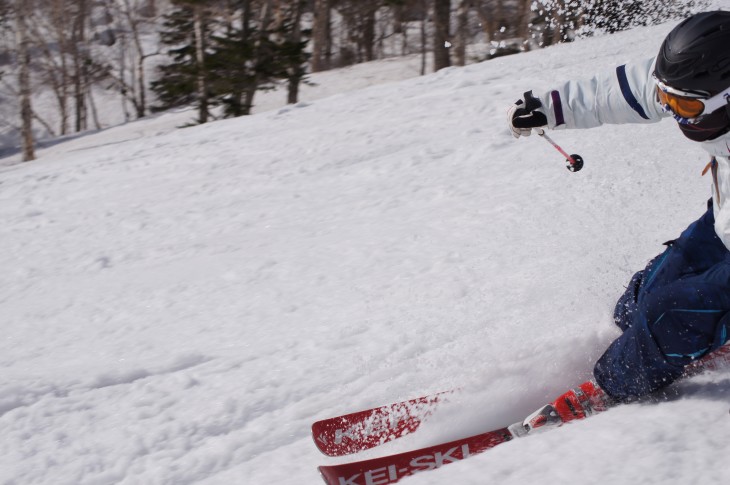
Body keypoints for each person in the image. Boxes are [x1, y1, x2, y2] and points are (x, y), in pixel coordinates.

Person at [506, 11, 730, 435]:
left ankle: (609, 391)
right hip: (726, 221)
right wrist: (552, 107)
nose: (676, 115)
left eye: (686, 106)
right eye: (670, 102)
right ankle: (648, 347)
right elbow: (632, 89)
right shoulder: (703, 79)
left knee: (673, 311)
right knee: (641, 299)